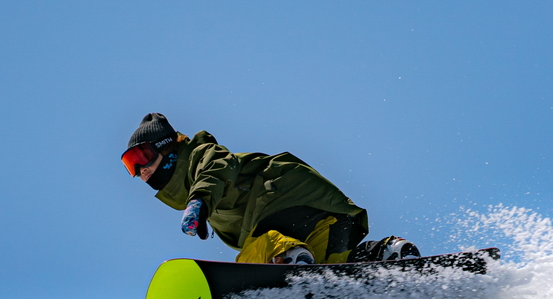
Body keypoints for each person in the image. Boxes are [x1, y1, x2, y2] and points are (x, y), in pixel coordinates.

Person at [120, 113, 419, 265]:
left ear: (166, 147)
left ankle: (284, 257)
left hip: (281, 199)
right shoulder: (196, 187)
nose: (140, 171)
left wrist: (199, 200)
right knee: (333, 271)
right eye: (129, 166)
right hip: (324, 215)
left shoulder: (199, 155)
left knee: (253, 254)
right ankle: (384, 255)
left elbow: (215, 168)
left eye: (141, 157)